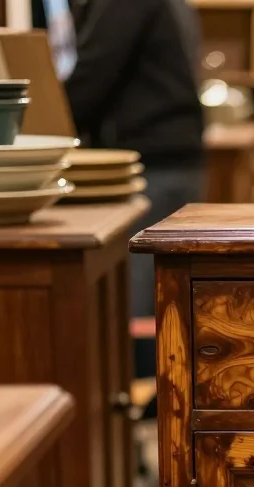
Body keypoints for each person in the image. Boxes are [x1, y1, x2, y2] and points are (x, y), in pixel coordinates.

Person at [65, 0, 205, 321]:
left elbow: (95, 71)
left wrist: (43, 126)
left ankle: (147, 372)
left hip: (149, 161)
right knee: (165, 301)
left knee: (142, 308)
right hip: (165, 154)